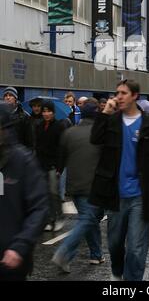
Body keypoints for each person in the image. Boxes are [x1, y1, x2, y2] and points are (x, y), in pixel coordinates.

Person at [89, 79, 149, 281]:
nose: (118, 96)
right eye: (117, 92)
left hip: (141, 194)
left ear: (135, 96)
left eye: (123, 93)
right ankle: (117, 272)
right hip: (115, 194)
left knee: (137, 249)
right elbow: (95, 139)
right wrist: (105, 113)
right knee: (115, 244)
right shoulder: (111, 121)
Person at [52, 102, 105, 273]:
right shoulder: (101, 133)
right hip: (95, 186)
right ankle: (64, 253)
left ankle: (96, 254)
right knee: (89, 219)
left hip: (74, 186)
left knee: (89, 219)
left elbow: (60, 159)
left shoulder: (69, 132)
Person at [0, 101, 49, 281]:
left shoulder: (23, 162)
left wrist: (20, 246)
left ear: (5, 129)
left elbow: (40, 208)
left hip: (12, 259)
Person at [35, 100, 66, 232]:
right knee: (44, 193)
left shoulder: (59, 126)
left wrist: (60, 167)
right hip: (41, 164)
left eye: (49, 111)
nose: (46, 114)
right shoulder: (39, 126)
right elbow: (37, 146)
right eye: (44, 111)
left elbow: (62, 149)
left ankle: (59, 217)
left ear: (53, 112)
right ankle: (49, 219)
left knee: (53, 192)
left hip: (53, 165)